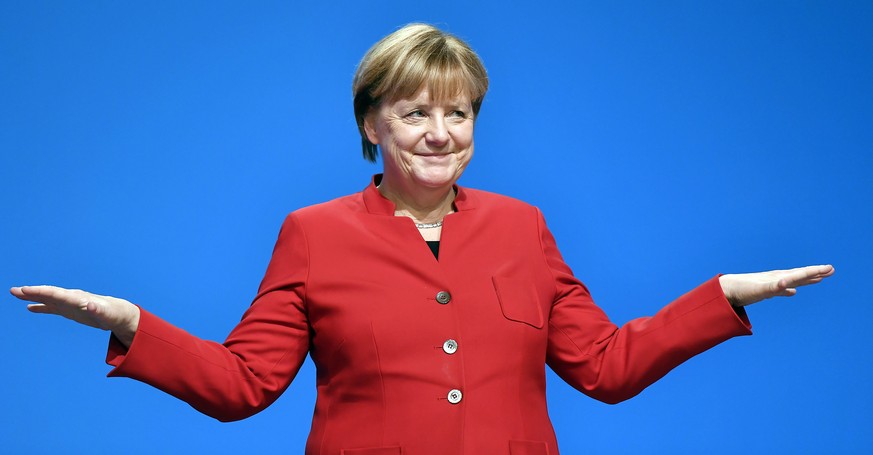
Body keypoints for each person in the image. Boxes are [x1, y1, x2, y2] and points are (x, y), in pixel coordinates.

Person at [10, 23, 833, 455]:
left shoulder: (522, 226)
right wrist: (128, 322)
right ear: (372, 123)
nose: (440, 133)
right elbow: (243, 384)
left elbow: (604, 367)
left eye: (458, 112)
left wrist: (721, 296)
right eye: (415, 112)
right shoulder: (313, 233)